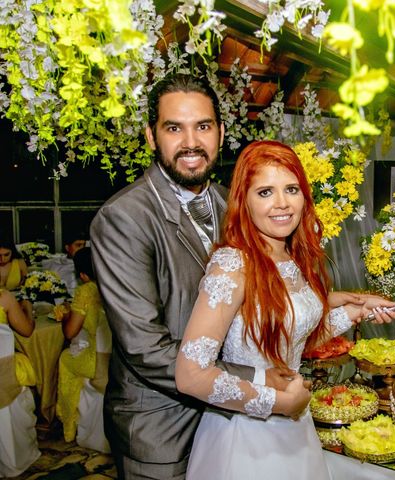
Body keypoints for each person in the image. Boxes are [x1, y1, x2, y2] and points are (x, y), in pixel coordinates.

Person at [90, 74, 301, 479]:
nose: (190, 142)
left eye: (202, 126)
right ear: (151, 136)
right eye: (174, 128)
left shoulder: (233, 202)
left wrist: (334, 303)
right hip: (163, 428)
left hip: (229, 426)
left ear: (221, 133)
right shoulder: (124, 219)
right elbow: (144, 348)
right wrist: (257, 378)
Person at [175, 141, 395, 479]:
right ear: (244, 201)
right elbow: (190, 375)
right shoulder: (232, 264)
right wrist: (280, 404)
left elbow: (293, 340)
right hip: (246, 439)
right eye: (265, 192)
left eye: (291, 189)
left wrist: (356, 311)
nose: (282, 204)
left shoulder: (289, 258)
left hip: (296, 428)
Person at [56, 247, 111, 446]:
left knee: (64, 359)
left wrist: (65, 316)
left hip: (99, 361)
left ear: (82, 275)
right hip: (120, 356)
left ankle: (68, 421)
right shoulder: (115, 283)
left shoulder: (86, 291)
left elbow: (70, 332)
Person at [41, 231, 87, 296]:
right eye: (78, 245)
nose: (82, 249)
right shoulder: (55, 264)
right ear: (67, 248)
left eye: (84, 245)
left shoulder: (89, 264)